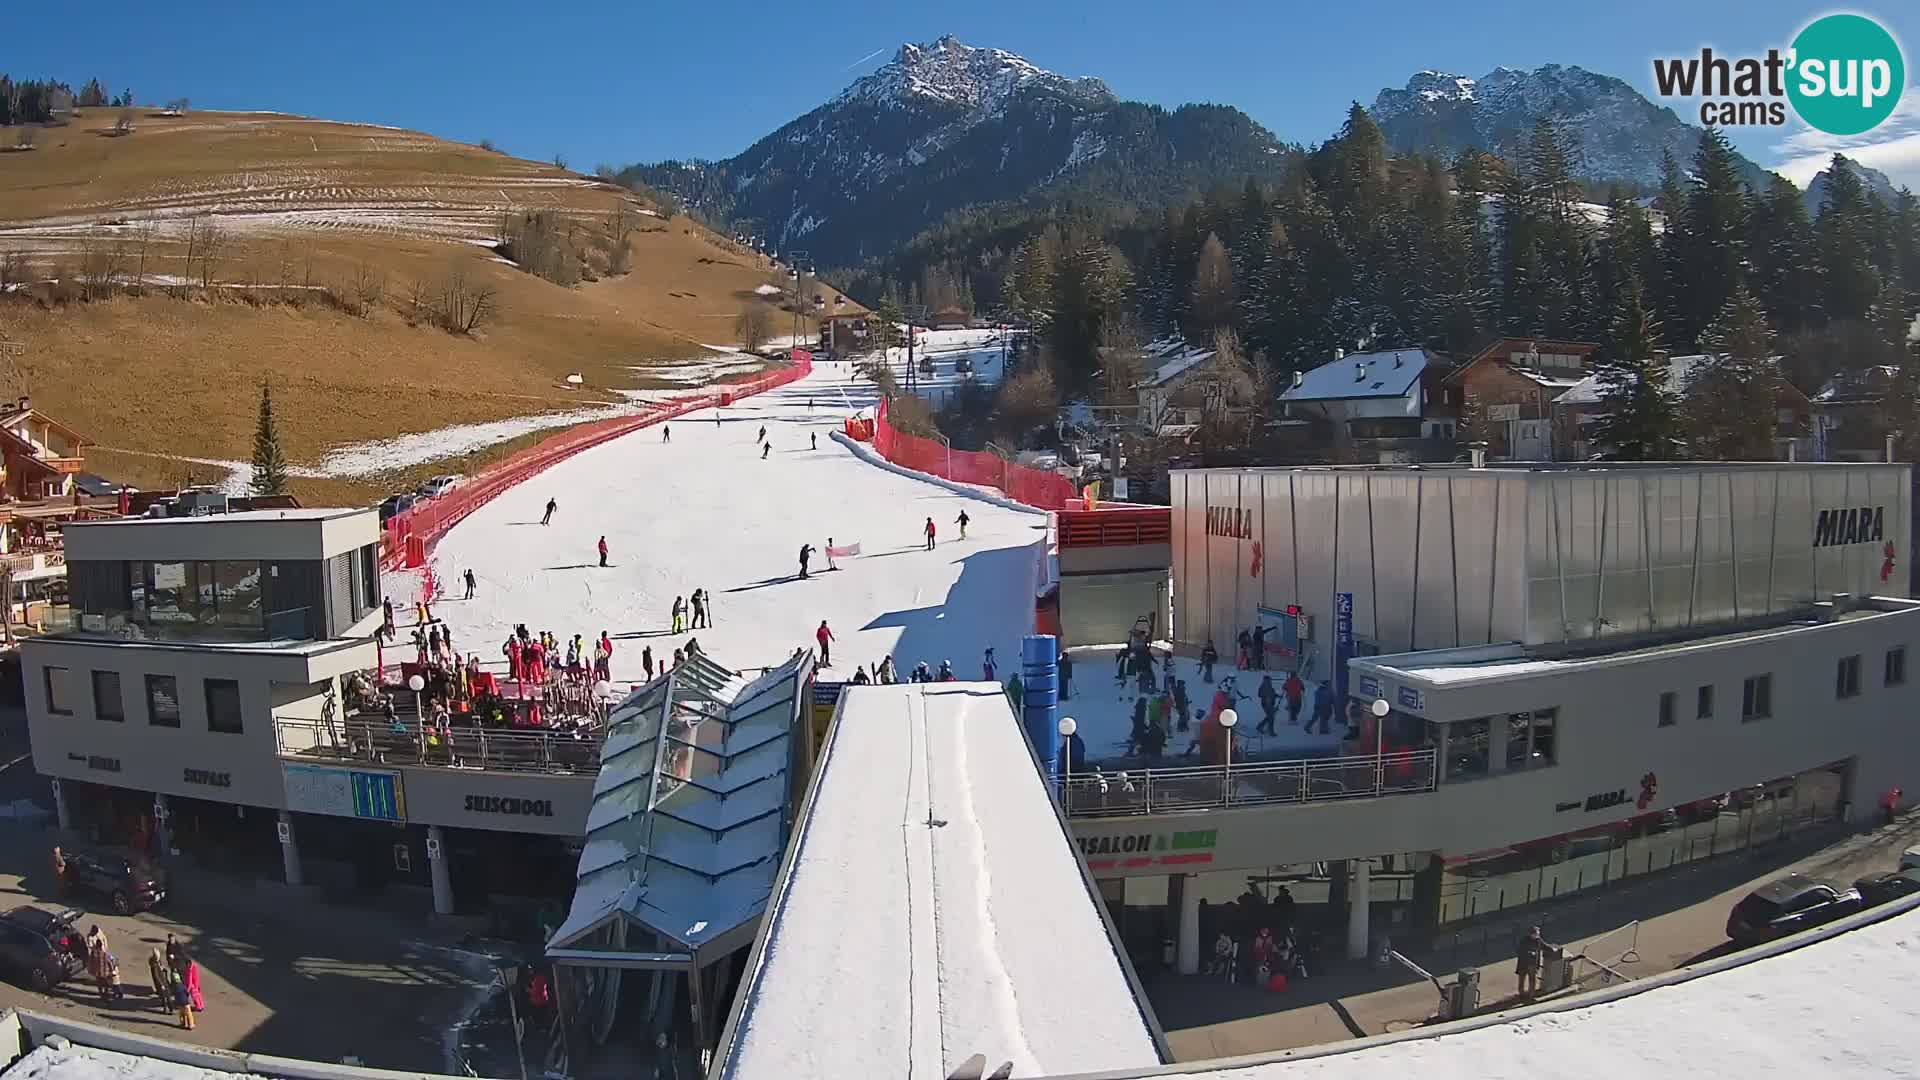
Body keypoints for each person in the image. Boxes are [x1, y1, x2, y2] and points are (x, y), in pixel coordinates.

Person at [1516, 926, 1545, 996]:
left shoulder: (1538, 940)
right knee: (1522, 978)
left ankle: (1531, 994)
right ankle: (1521, 993)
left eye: (1538, 934)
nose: (1538, 935)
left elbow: (1545, 946)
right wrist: (1529, 953)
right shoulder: (1524, 940)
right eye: (1536, 934)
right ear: (1531, 934)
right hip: (1524, 963)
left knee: (1532, 979)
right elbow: (1520, 951)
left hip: (1533, 963)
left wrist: (1554, 949)